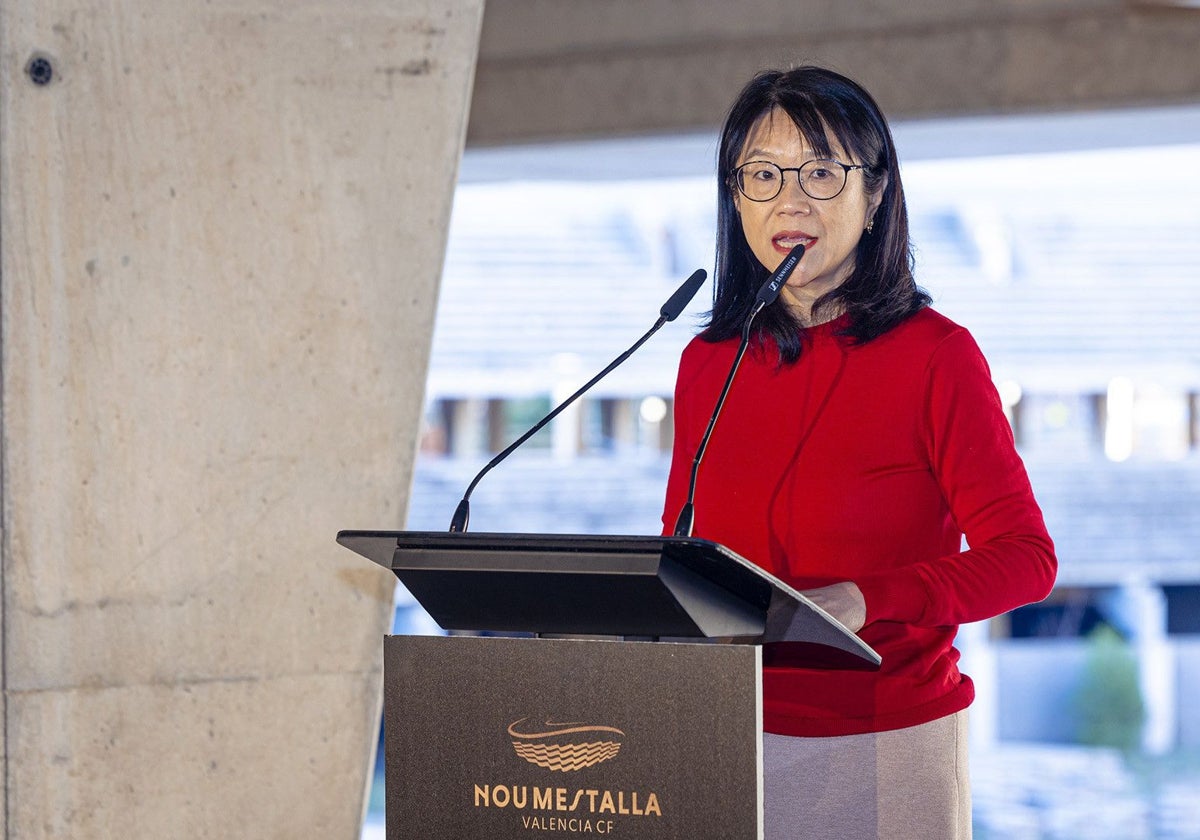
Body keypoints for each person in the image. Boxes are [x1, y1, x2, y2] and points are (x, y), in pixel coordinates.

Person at [660, 65, 1057, 840]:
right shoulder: (709, 359)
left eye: (821, 171)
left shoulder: (936, 357)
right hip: (720, 738)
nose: (791, 200)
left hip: (887, 742)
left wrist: (867, 599)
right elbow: (685, 553)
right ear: (734, 196)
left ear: (874, 195)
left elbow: (1026, 559)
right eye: (764, 174)